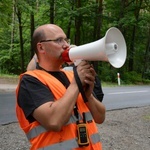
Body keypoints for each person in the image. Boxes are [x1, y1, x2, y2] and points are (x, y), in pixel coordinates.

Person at [16, 24, 106, 150]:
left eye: (66, 40)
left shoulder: (71, 75)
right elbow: (54, 121)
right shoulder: (30, 81)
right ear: (41, 47)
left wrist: (88, 96)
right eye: (59, 40)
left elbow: (100, 117)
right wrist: (76, 84)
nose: (66, 45)